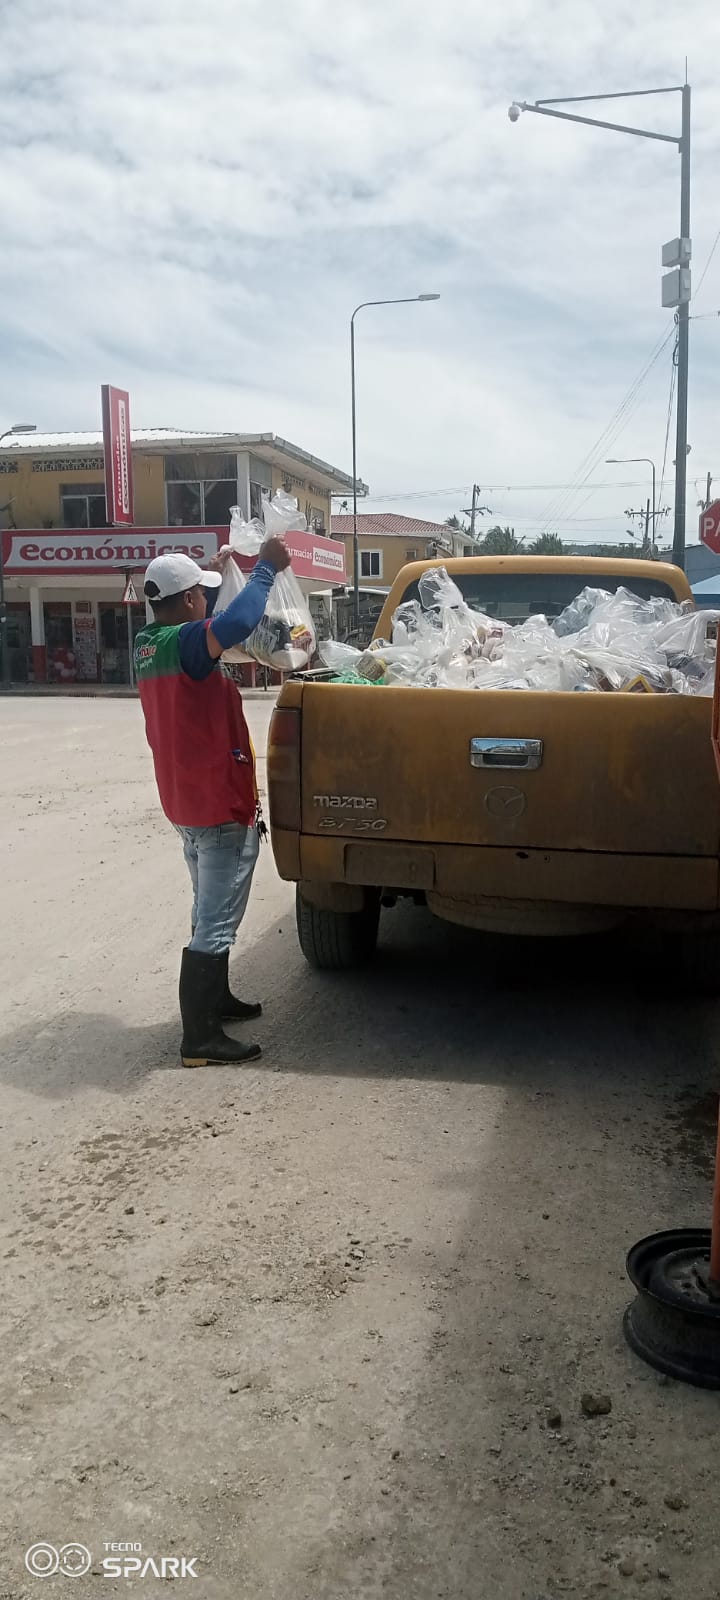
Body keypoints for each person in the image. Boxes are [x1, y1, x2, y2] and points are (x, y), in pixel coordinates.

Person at [134, 537, 291, 1068]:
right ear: (186, 601)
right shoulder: (188, 643)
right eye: (200, 594)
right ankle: (199, 1039)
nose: (205, 600)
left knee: (207, 906)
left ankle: (216, 999)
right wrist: (265, 569)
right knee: (217, 920)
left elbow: (211, 626)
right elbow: (238, 623)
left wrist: (225, 577)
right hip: (217, 802)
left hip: (185, 800)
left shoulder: (149, 643)